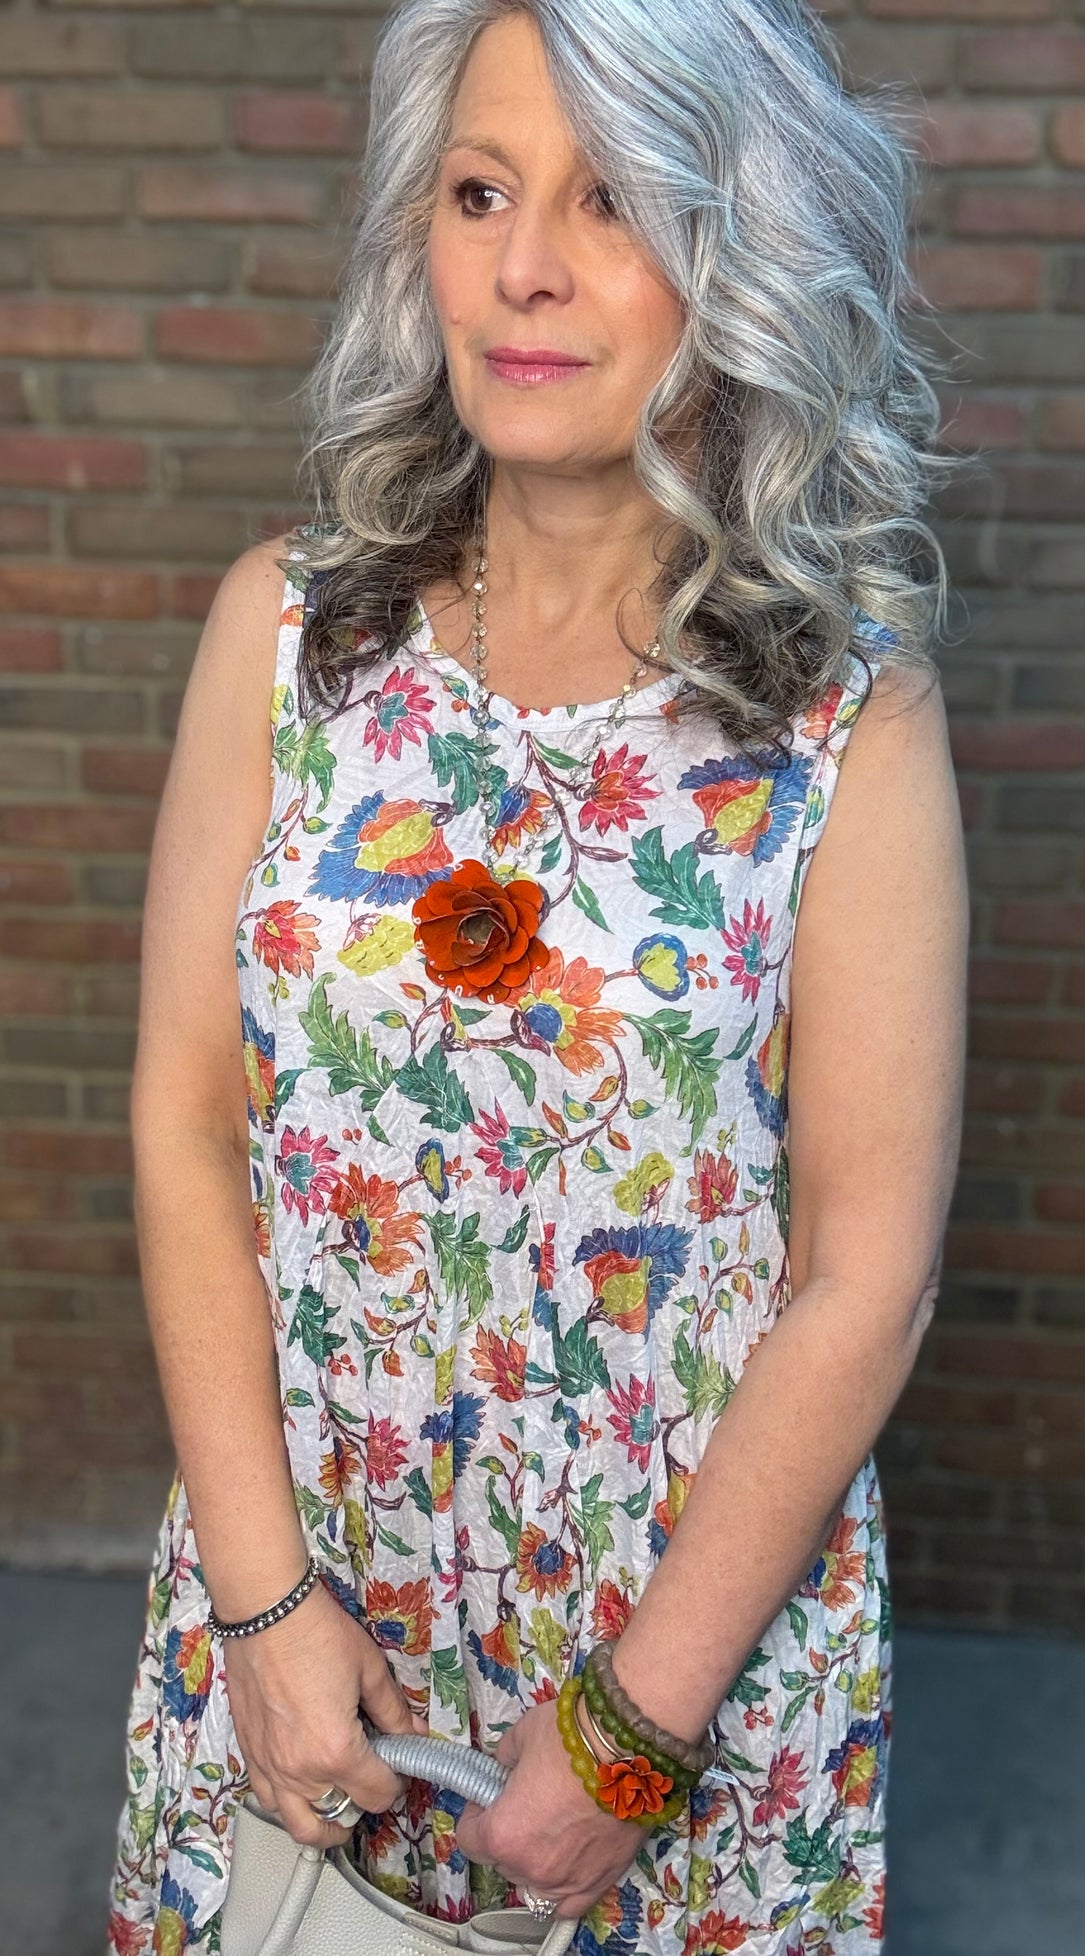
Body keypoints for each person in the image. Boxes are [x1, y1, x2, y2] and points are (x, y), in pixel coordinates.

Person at [107, 3, 969, 1952]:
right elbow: (182, 1122)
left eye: (612, 205)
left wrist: (636, 1732)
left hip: (683, 1642)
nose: (521, 270)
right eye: (480, 192)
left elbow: (863, 1272)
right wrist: (260, 1605)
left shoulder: (844, 718)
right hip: (305, 1579)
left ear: (734, 251)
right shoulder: (288, 635)